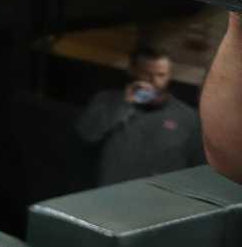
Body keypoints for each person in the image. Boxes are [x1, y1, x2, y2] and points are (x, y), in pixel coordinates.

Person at [75, 47, 203, 186]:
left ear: (169, 75)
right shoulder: (106, 101)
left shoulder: (186, 116)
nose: (154, 81)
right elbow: (87, 134)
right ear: (132, 70)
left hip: (161, 199)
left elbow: (196, 165)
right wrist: (124, 105)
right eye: (147, 74)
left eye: (161, 75)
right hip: (112, 193)